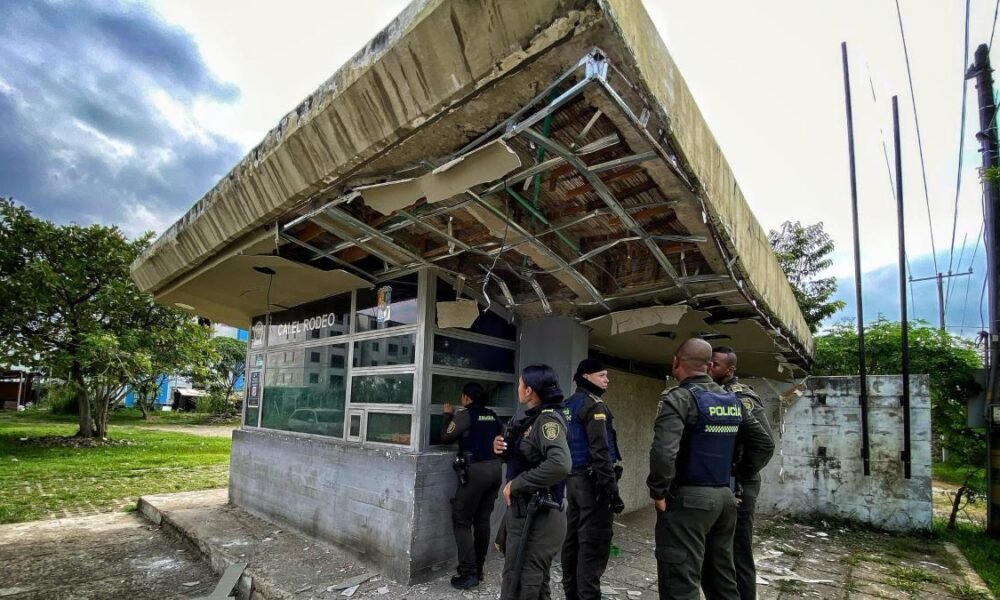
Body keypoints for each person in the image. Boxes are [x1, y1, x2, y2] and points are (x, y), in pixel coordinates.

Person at [647, 338, 774, 600]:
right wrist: (736, 478)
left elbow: (664, 452)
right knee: (722, 579)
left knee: (680, 582)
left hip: (690, 500)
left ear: (676, 362)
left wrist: (658, 491)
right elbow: (763, 443)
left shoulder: (679, 398)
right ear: (707, 365)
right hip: (725, 499)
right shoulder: (732, 400)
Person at [493, 363, 571, 600]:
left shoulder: (548, 421)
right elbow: (527, 457)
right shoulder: (531, 419)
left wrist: (517, 484)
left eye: (520, 383)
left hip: (538, 516)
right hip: (524, 512)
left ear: (529, 391)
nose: (518, 387)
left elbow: (560, 464)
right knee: (530, 582)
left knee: (524, 583)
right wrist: (502, 450)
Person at [709, 346, 775, 600]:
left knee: (738, 552)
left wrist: (740, 476)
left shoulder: (741, 397)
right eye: (708, 362)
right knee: (717, 552)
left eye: (715, 364)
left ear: (730, 370)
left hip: (739, 484)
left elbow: (763, 444)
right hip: (721, 483)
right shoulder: (713, 393)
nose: (709, 367)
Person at [561, 358, 625, 600]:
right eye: (602, 375)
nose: (607, 379)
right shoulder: (594, 406)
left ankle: (572, 594)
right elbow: (600, 452)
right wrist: (613, 492)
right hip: (592, 484)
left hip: (573, 480)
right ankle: (589, 595)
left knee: (573, 540)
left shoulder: (568, 405)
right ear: (586, 376)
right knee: (594, 542)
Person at [441, 382, 503, 589]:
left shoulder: (465, 415)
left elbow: (446, 436)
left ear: (467, 398)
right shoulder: (492, 415)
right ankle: (479, 568)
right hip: (495, 470)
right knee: (482, 521)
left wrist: (447, 415)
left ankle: (468, 573)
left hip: (476, 471)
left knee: (461, 521)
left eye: (462, 396)